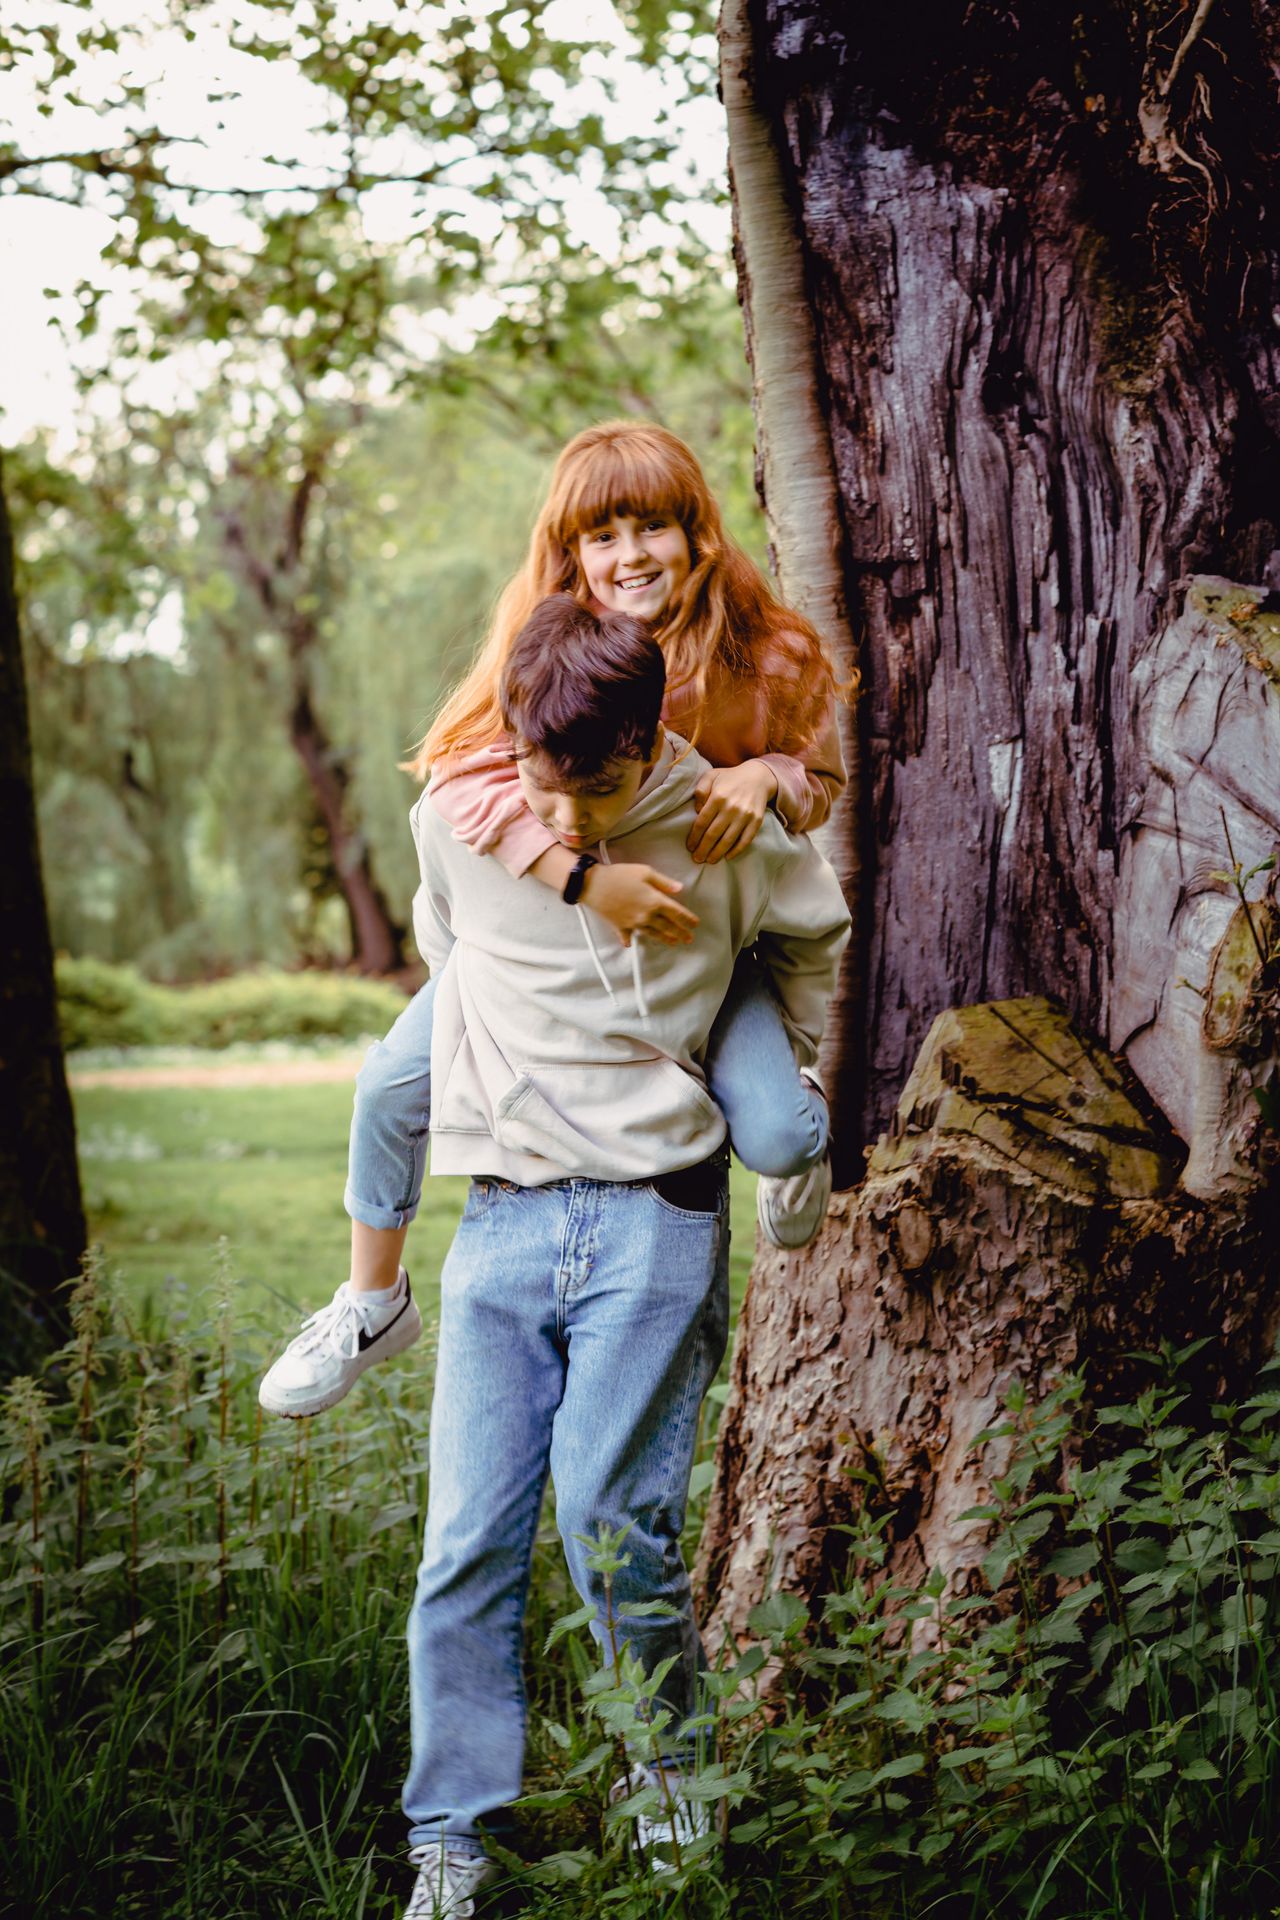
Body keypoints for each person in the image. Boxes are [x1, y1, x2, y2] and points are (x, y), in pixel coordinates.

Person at [397, 595, 849, 1917]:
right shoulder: (466, 821)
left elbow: (808, 939)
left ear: (647, 742)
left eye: (591, 789)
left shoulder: (721, 825)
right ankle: (449, 1840)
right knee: (463, 1545)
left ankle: (671, 1799)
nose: (564, 815)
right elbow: (444, 943)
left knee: (611, 1526)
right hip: (499, 1221)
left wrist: (784, 1074)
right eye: (542, 781)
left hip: (655, 1219)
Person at [258, 420, 850, 1423]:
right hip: (556, 942)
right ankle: (371, 1300)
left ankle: (796, 1117)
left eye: (651, 527)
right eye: (601, 535)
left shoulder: (767, 651)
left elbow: (819, 783)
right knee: (388, 1088)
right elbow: (459, 775)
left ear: (696, 532)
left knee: (780, 1136)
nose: (629, 555)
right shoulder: (548, 637)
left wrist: (763, 774)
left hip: (707, 942)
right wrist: (577, 879)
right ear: (571, 549)